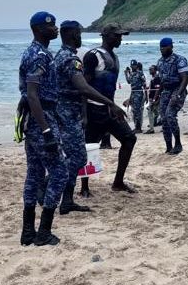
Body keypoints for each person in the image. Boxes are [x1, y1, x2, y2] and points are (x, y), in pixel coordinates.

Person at [54, 20, 127, 214]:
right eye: (79, 33)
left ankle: (67, 199)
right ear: (72, 35)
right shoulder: (74, 58)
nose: (81, 37)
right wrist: (106, 106)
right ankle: (53, 188)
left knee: (78, 155)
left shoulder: (68, 56)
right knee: (77, 155)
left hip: (80, 112)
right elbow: (84, 88)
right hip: (75, 114)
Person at [19, 11, 67, 246]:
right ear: (38, 29)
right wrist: (47, 130)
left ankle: (28, 231)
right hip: (42, 118)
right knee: (60, 172)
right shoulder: (39, 55)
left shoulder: (35, 52)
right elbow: (32, 94)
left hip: (35, 119)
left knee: (35, 173)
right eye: (51, 26)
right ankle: (44, 231)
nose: (55, 29)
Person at [81, 23, 137, 195]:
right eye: (116, 35)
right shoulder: (93, 56)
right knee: (89, 146)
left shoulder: (115, 57)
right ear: (105, 36)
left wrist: (112, 105)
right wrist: (84, 114)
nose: (120, 38)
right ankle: (84, 187)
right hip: (93, 110)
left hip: (109, 110)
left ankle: (118, 182)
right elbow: (84, 87)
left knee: (129, 139)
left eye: (121, 36)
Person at [156, 37, 188, 155]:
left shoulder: (180, 60)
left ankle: (178, 144)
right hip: (166, 91)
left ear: (171, 47)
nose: (162, 49)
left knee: (170, 115)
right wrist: (156, 96)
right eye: (161, 47)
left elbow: (185, 79)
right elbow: (161, 80)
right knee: (163, 119)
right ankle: (169, 146)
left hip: (177, 89)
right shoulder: (160, 61)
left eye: (164, 47)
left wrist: (178, 94)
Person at [125, 61, 147, 133]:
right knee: (134, 110)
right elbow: (129, 82)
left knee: (138, 110)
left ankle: (138, 128)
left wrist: (146, 95)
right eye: (131, 65)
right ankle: (136, 127)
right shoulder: (131, 74)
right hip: (133, 92)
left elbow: (144, 84)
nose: (132, 67)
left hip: (139, 92)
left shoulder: (140, 73)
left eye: (133, 65)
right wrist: (126, 74)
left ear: (136, 66)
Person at [146, 64, 160, 134]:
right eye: (149, 69)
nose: (150, 70)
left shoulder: (156, 78)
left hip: (155, 99)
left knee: (150, 112)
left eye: (151, 69)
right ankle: (155, 123)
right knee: (156, 112)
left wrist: (155, 99)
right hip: (152, 98)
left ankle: (151, 128)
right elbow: (153, 88)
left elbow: (157, 89)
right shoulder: (153, 78)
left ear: (155, 70)